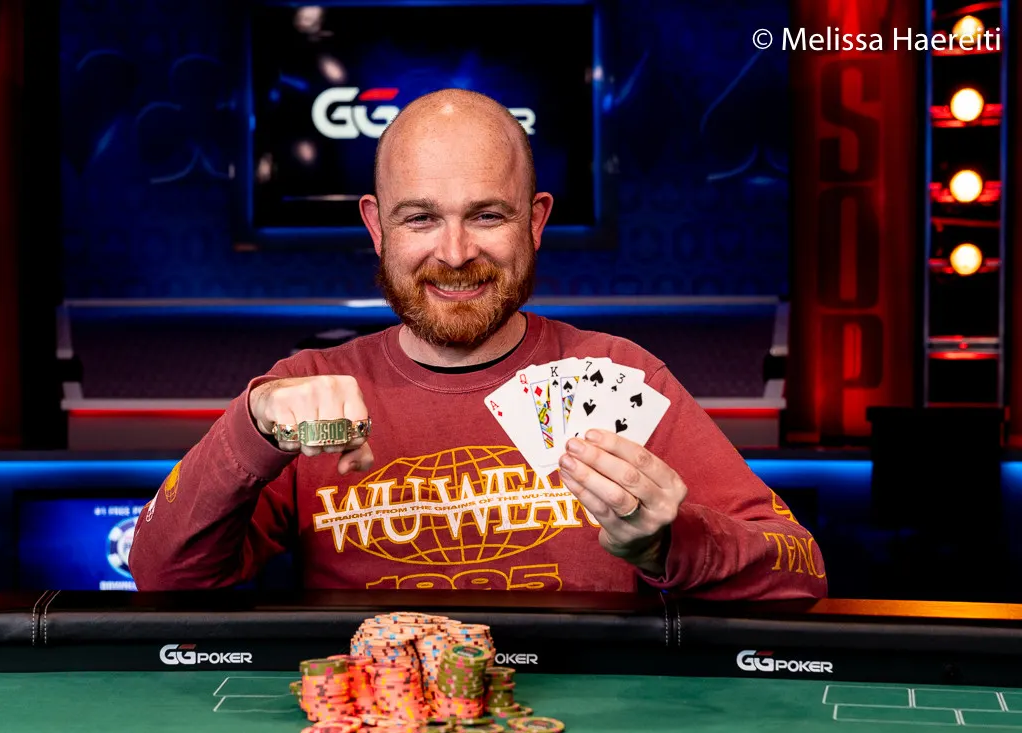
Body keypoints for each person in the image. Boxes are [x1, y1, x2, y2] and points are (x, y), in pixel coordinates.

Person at [128, 89, 827, 599]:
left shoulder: (617, 372)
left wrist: (668, 543)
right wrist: (251, 425)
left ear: (536, 221)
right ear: (377, 227)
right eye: (420, 218)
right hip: (374, 731)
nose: (456, 252)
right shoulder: (307, 392)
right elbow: (162, 576)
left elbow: (801, 570)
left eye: (487, 215)